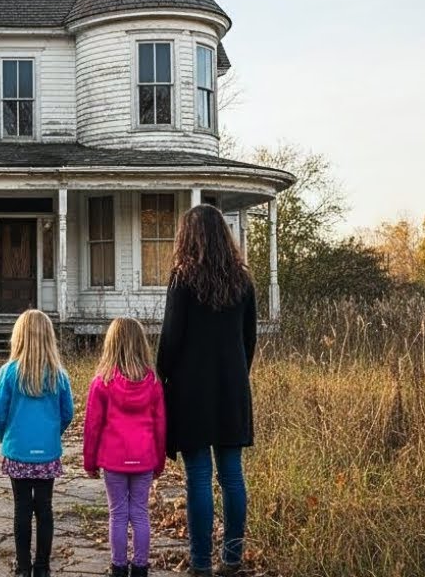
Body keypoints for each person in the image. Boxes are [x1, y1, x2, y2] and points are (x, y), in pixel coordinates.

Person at [156, 204, 259, 576]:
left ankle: (200, 563)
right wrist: (235, 374)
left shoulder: (183, 279)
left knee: (198, 477)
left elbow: (171, 338)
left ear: (189, 237)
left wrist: (163, 374)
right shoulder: (243, 280)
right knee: (232, 475)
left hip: (191, 390)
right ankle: (232, 559)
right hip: (232, 388)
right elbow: (250, 339)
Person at [0, 309, 75, 577]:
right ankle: (43, 566)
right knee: (45, 508)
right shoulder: (58, 375)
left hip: (18, 451)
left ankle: (23, 566)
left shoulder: (10, 372)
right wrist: (52, 434)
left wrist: (7, 437)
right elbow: (67, 413)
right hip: (47, 452)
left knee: (22, 508)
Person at [82, 317, 166, 577]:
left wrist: (90, 461)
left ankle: (119, 566)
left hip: (114, 459)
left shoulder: (102, 383)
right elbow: (160, 425)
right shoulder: (152, 384)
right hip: (143, 458)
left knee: (118, 513)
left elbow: (92, 426)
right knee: (140, 513)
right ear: (141, 345)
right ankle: (140, 566)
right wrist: (159, 461)